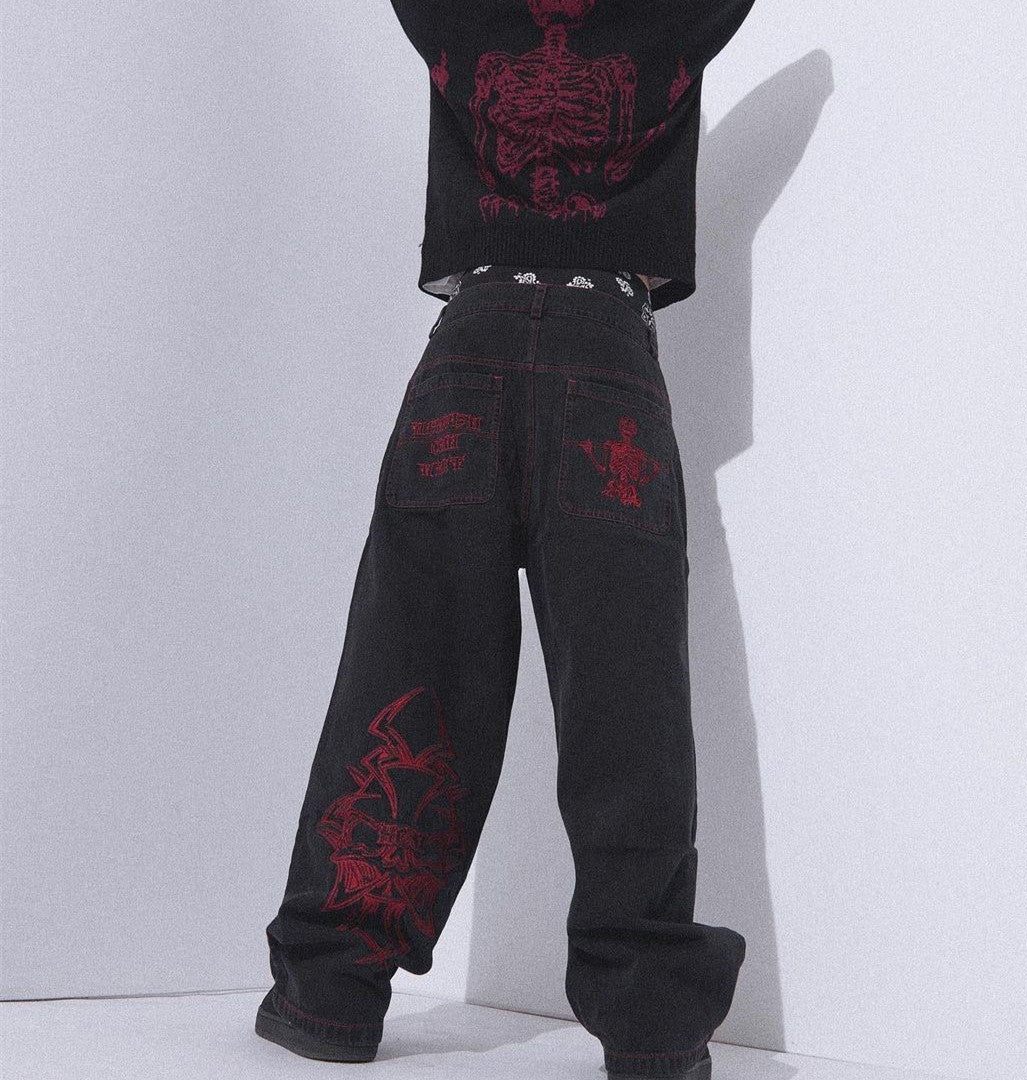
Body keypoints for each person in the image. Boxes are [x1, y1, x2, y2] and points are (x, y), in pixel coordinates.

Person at [256, 3, 758, 1077]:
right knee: (628, 700)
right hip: (608, 351)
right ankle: (651, 1025)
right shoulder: (666, 13)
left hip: (470, 346)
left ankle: (329, 989)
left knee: (410, 663)